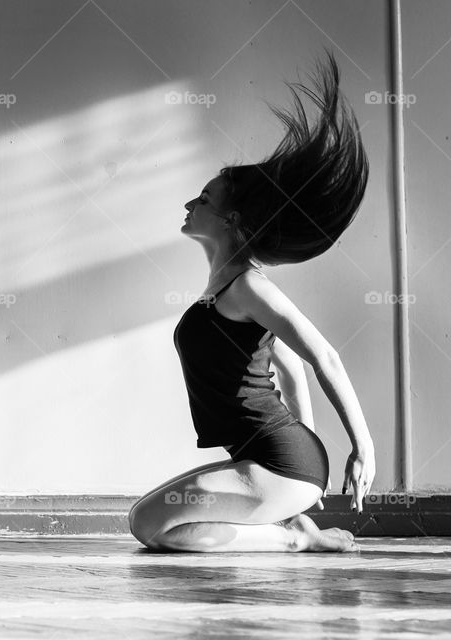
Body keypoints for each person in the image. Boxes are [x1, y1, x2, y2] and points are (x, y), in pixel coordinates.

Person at [128, 52, 375, 552]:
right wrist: (308, 450)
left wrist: (360, 447)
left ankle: (296, 541)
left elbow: (321, 356)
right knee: (155, 522)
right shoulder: (225, 289)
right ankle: (296, 527)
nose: (189, 204)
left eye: (203, 199)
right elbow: (289, 370)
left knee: (147, 525)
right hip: (272, 460)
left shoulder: (249, 286)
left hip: (282, 464)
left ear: (229, 219)